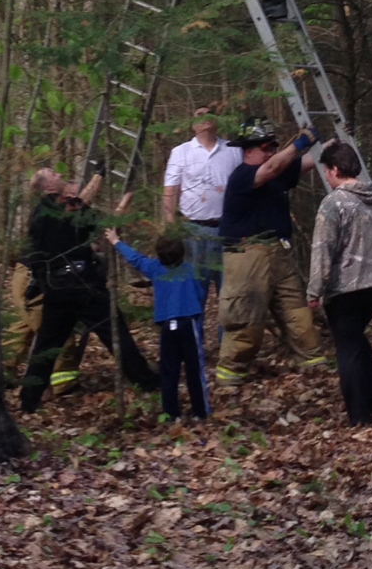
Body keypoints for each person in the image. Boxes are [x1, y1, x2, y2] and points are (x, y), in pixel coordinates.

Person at [20, 168, 158, 412]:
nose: (59, 173)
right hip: (82, 287)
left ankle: (28, 400)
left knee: (46, 346)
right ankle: (146, 382)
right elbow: (103, 220)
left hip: (57, 288)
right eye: (53, 173)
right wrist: (123, 201)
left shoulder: (39, 214)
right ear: (49, 187)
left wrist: (99, 176)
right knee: (116, 332)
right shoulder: (64, 207)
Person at [215, 117, 323, 387]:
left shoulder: (277, 172)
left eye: (273, 146)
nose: (271, 151)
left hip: (278, 252)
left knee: (297, 314)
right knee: (246, 321)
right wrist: (300, 142)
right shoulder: (243, 176)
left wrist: (337, 141)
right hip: (246, 256)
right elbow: (273, 168)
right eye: (266, 147)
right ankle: (230, 377)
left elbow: (311, 161)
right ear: (248, 149)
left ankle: (314, 365)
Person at [307, 142, 372, 426]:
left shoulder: (333, 204)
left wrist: (314, 290)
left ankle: (360, 414)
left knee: (346, 346)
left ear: (335, 169)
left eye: (326, 170)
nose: (326, 176)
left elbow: (323, 248)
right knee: (354, 336)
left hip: (346, 287)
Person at [105, 228, 209, 421]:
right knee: (194, 369)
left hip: (168, 326)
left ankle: (171, 413)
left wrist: (116, 241)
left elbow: (136, 259)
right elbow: (200, 294)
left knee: (169, 370)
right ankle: (200, 412)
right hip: (188, 324)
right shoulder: (189, 270)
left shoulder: (154, 268)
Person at [163, 106, 242, 310]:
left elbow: (244, 187)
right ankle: (195, 341)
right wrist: (172, 229)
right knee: (195, 292)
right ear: (193, 124)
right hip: (194, 231)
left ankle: (226, 341)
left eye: (210, 113)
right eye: (199, 114)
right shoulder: (181, 152)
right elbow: (171, 190)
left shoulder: (233, 150)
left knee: (230, 292)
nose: (205, 118)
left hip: (229, 229)